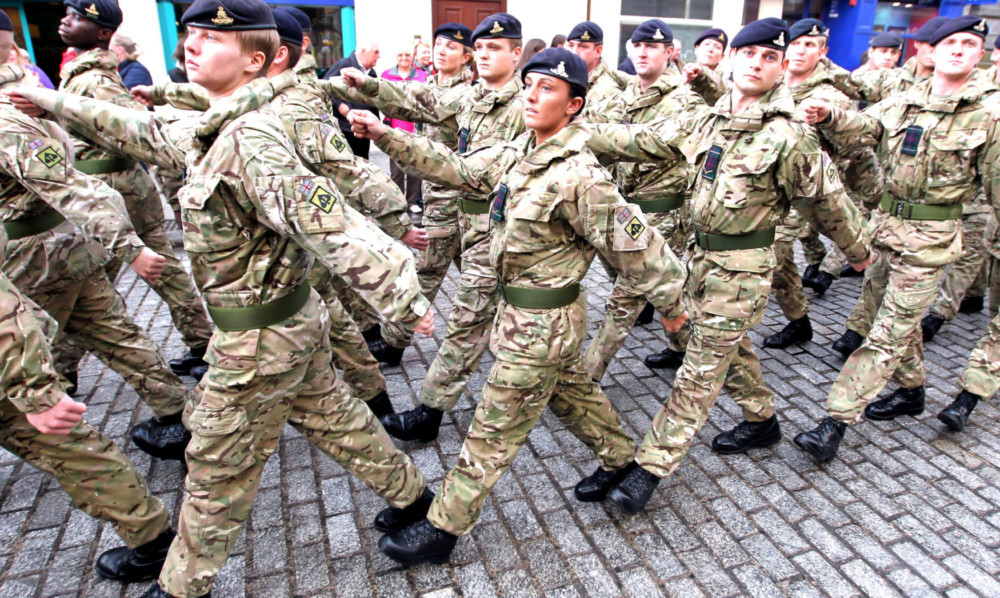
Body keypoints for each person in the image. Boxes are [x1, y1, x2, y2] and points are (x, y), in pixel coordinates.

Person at [12, 0, 442, 595]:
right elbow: (140, 130)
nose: (190, 46)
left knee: (214, 463)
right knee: (337, 419)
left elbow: (327, 220)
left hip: (258, 338)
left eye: (212, 40)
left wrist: (403, 297)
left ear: (257, 61)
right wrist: (53, 101)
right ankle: (416, 499)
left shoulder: (251, 140)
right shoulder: (214, 124)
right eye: (187, 35)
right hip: (285, 324)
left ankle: (182, 583)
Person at [348, 46, 688, 566]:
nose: (531, 94)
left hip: (543, 327)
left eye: (547, 88)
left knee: (493, 428)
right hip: (526, 320)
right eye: (529, 84)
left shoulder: (581, 175)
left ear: (574, 105)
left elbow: (639, 247)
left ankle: (444, 526)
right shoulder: (519, 152)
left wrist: (672, 306)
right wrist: (386, 135)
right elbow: (455, 166)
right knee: (570, 395)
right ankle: (621, 460)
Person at [580, 18, 870, 513]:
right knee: (721, 348)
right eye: (749, 54)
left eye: (769, 58)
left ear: (781, 68)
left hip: (742, 270)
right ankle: (762, 419)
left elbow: (829, 201)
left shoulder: (789, 134)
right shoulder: (707, 120)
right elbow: (643, 140)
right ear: (732, 59)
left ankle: (649, 467)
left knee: (699, 369)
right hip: (696, 258)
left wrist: (859, 253)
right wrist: (578, 130)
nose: (757, 63)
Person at [795, 16, 1000, 463]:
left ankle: (835, 421)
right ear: (930, 50)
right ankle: (912, 391)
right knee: (892, 320)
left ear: (979, 54)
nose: (959, 49)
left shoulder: (991, 112)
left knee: (885, 333)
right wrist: (830, 115)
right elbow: (863, 128)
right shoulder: (907, 100)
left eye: (970, 43)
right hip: (886, 232)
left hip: (930, 242)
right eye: (950, 42)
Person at [322, 13, 527, 442]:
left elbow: (463, 168)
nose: (487, 54)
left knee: (470, 318)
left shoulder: (523, 107)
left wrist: (383, 135)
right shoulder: (472, 97)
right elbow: (420, 100)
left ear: (516, 53)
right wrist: (369, 86)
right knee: (486, 309)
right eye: (482, 47)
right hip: (467, 220)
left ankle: (430, 410)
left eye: (496, 48)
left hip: (501, 227)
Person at [53, 0, 215, 384]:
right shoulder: (85, 74)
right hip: (115, 187)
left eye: (77, 17)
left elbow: (138, 134)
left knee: (91, 282)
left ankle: (60, 370)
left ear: (104, 33)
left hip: (114, 188)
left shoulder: (95, 80)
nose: (65, 20)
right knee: (127, 274)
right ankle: (202, 343)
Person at [582, 19, 703, 378]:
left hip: (662, 211)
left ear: (669, 53)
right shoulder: (624, 95)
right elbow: (599, 139)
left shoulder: (684, 99)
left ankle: (587, 376)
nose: (643, 52)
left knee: (626, 295)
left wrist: (589, 133)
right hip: (626, 209)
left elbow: (654, 145)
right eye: (637, 46)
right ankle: (685, 344)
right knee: (660, 288)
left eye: (652, 47)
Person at [763, 18, 885, 350]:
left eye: (810, 45)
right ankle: (798, 321)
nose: (801, 50)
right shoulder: (772, 82)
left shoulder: (830, 95)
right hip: (769, 191)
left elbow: (850, 150)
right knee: (776, 258)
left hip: (808, 192)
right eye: (796, 43)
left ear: (823, 52)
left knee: (771, 253)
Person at [382, 42, 428, 212]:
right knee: (396, 169)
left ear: (412, 57)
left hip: (415, 126)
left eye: (407, 55)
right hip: (395, 127)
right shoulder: (386, 75)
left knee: (415, 167)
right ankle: (398, 201)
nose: (404, 58)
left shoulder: (422, 76)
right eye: (400, 55)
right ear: (396, 57)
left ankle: (412, 201)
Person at [323, 37, 380, 159]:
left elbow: (373, 102)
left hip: (363, 129)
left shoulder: (372, 73)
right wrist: (340, 105)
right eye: (375, 52)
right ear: (363, 51)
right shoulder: (344, 65)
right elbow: (324, 88)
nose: (379, 56)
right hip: (345, 128)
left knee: (363, 162)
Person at [565, 21, 628, 118]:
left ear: (598, 51)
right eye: (571, 45)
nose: (574, 52)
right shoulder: (566, 79)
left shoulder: (607, 90)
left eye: (583, 46)